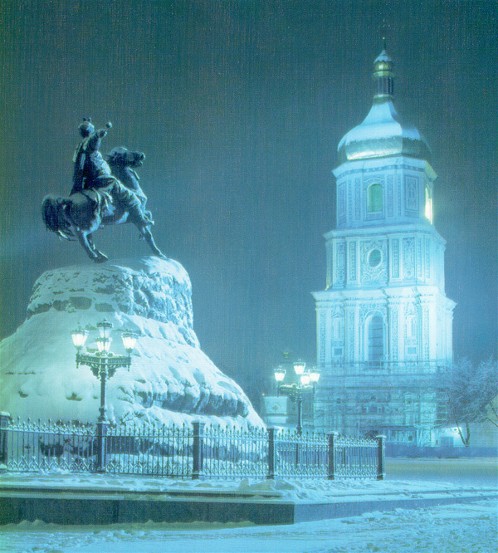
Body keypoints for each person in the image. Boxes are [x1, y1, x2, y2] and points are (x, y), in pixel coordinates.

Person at [70, 118, 151, 225]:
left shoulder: (79, 147)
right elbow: (94, 142)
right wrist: (99, 134)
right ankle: (141, 219)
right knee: (131, 196)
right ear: (90, 131)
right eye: (92, 129)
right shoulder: (88, 142)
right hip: (102, 179)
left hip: (89, 180)